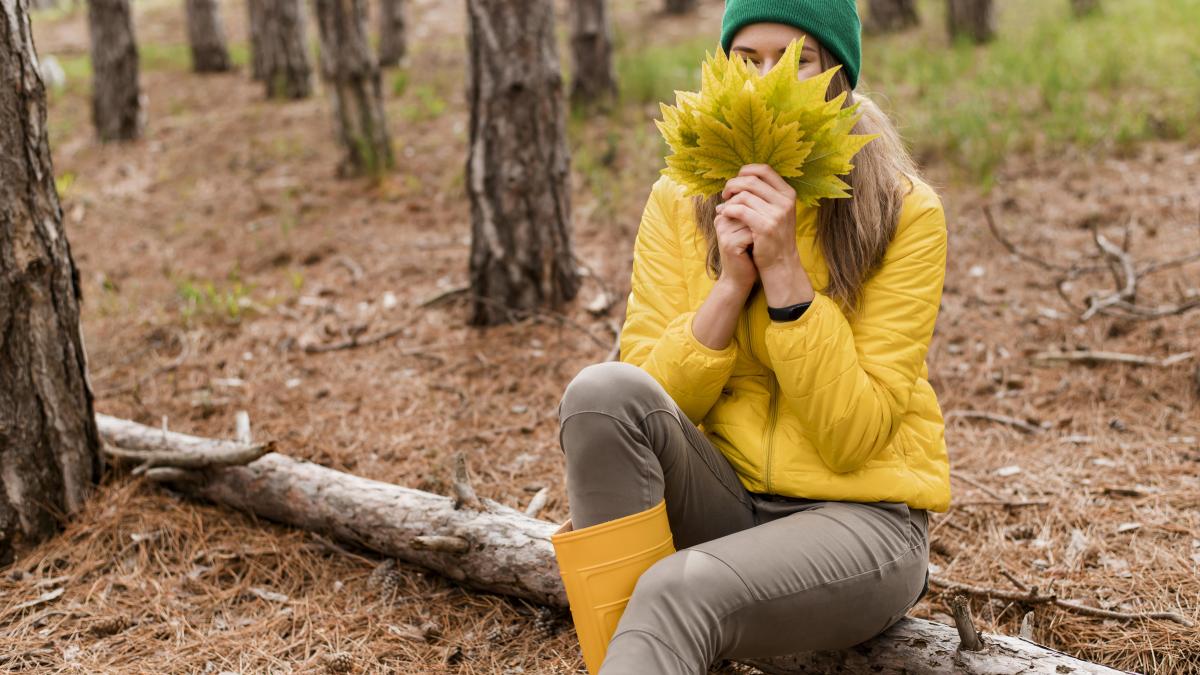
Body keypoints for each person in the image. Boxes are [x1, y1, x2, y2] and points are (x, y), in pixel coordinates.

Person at [550, 1, 951, 673]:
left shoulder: (905, 211)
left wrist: (788, 277)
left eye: (800, 59)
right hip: (725, 501)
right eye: (748, 59)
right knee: (601, 392)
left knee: (681, 586)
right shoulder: (680, 198)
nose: (768, 80)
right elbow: (648, 399)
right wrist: (731, 285)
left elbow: (852, 435)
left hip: (862, 523)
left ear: (840, 78)